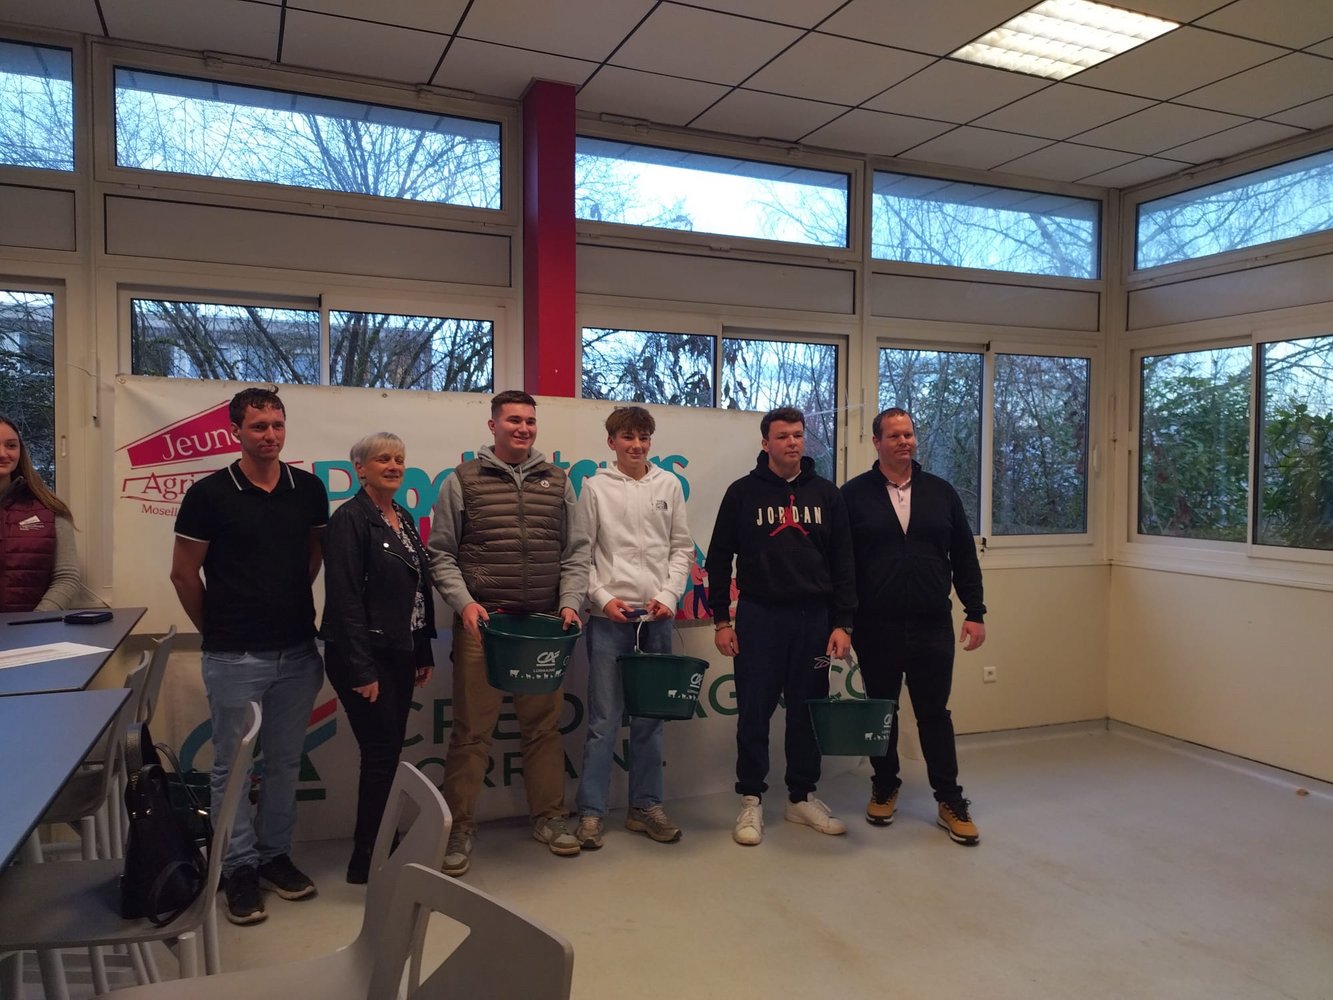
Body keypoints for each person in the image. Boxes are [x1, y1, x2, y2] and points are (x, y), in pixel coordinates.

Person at [170, 387, 328, 924]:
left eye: (277, 425)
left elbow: (312, 556)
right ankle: (237, 867)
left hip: (299, 651)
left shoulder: (308, 489)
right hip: (234, 656)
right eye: (259, 426)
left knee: (284, 762)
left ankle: (274, 856)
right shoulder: (209, 494)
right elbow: (183, 574)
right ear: (235, 430)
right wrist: (218, 631)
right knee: (231, 768)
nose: (270, 435)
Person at [427, 390, 590, 876]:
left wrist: (569, 602)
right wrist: (465, 604)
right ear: (493, 425)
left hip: (542, 627)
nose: (523, 428)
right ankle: (457, 828)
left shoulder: (557, 480)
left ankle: (550, 818)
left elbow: (576, 551)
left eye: (530, 421)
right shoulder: (463, 479)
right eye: (514, 420)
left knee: (543, 728)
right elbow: (441, 553)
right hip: (485, 627)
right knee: (472, 732)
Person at [705, 406, 856, 847]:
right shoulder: (742, 493)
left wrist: (843, 623)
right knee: (754, 710)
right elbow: (718, 560)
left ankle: (801, 796)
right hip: (759, 616)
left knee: (807, 710)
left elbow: (844, 563)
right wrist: (721, 619)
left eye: (798, 434)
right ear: (765, 443)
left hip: (814, 618)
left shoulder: (827, 494)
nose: (792, 442)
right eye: (783, 436)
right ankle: (751, 798)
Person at [841, 407, 986, 846]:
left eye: (909, 434)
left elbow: (964, 556)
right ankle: (885, 785)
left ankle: (950, 798)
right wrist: (843, 621)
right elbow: (842, 566)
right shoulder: (853, 496)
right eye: (895, 435)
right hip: (876, 626)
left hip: (932, 625)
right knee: (881, 711)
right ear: (877, 442)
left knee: (934, 714)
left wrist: (975, 611)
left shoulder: (941, 493)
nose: (904, 441)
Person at [572, 406, 694, 850]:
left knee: (650, 719)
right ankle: (591, 812)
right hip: (610, 621)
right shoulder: (595, 488)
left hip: (656, 619)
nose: (637, 445)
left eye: (644, 437)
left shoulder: (668, 485)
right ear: (612, 443)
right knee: (604, 721)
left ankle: (645, 807)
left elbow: (681, 549)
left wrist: (669, 596)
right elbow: (581, 555)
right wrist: (603, 599)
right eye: (628, 437)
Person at [320, 432, 436, 884]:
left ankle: (380, 848)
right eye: (383, 459)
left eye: (399, 459)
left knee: (387, 753)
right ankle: (368, 859)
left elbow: (417, 591)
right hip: (364, 656)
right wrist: (362, 668)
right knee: (381, 753)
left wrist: (422, 649)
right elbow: (344, 599)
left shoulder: (400, 516)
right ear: (360, 469)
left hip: (400, 651)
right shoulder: (349, 519)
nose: (393, 465)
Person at [0, 415, 81, 612]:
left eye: (11, 445)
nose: (3, 453)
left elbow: (67, 578)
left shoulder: (50, 508)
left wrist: (35, 622)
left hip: (32, 629)